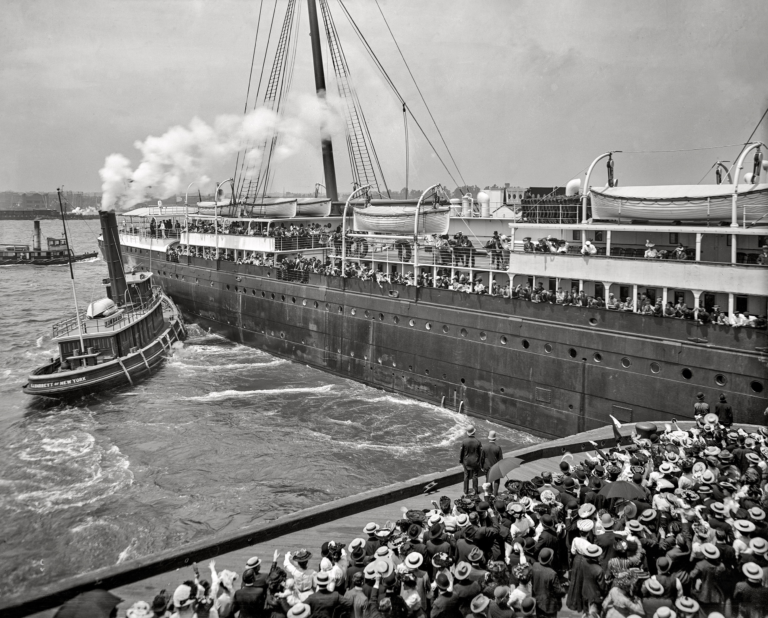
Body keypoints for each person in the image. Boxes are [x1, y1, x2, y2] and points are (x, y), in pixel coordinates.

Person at [459, 427, 483, 495]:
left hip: (466, 462)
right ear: (474, 432)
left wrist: (460, 460)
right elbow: (481, 453)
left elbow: (461, 452)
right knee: (475, 476)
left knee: (466, 475)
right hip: (475, 462)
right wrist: (480, 462)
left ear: (468, 433)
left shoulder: (464, 441)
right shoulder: (478, 442)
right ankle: (475, 491)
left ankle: (466, 491)